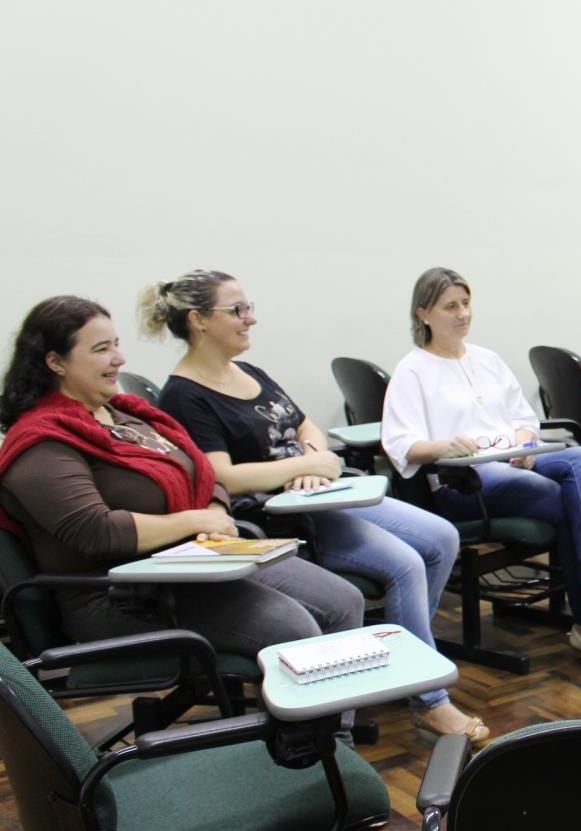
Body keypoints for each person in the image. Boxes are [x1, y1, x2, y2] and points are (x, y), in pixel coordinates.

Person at [142, 269, 487, 743]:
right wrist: (297, 470)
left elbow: (305, 426)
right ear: (199, 321)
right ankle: (430, 700)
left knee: (441, 536)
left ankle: (395, 660)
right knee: (406, 563)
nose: (251, 319)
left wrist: (312, 458)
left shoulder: (250, 372)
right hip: (281, 513)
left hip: (321, 490)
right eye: (237, 311)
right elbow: (222, 475)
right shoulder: (184, 394)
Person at [0, 296, 364, 657]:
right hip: (120, 595)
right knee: (291, 628)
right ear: (55, 362)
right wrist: (194, 519)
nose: (119, 359)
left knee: (343, 600)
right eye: (100, 349)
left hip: (194, 560)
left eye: (116, 345)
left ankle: (331, 713)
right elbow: (96, 531)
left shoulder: (126, 417)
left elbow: (204, 472)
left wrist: (215, 512)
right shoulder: (42, 444)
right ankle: (307, 714)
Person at [382, 267, 581, 670]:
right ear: (423, 313)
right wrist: (447, 446)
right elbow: (400, 444)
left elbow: (523, 417)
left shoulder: (487, 359)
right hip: (466, 481)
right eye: (450, 307)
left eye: (466, 304)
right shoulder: (413, 369)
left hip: (514, 464)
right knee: (566, 500)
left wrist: (527, 443)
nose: (463, 314)